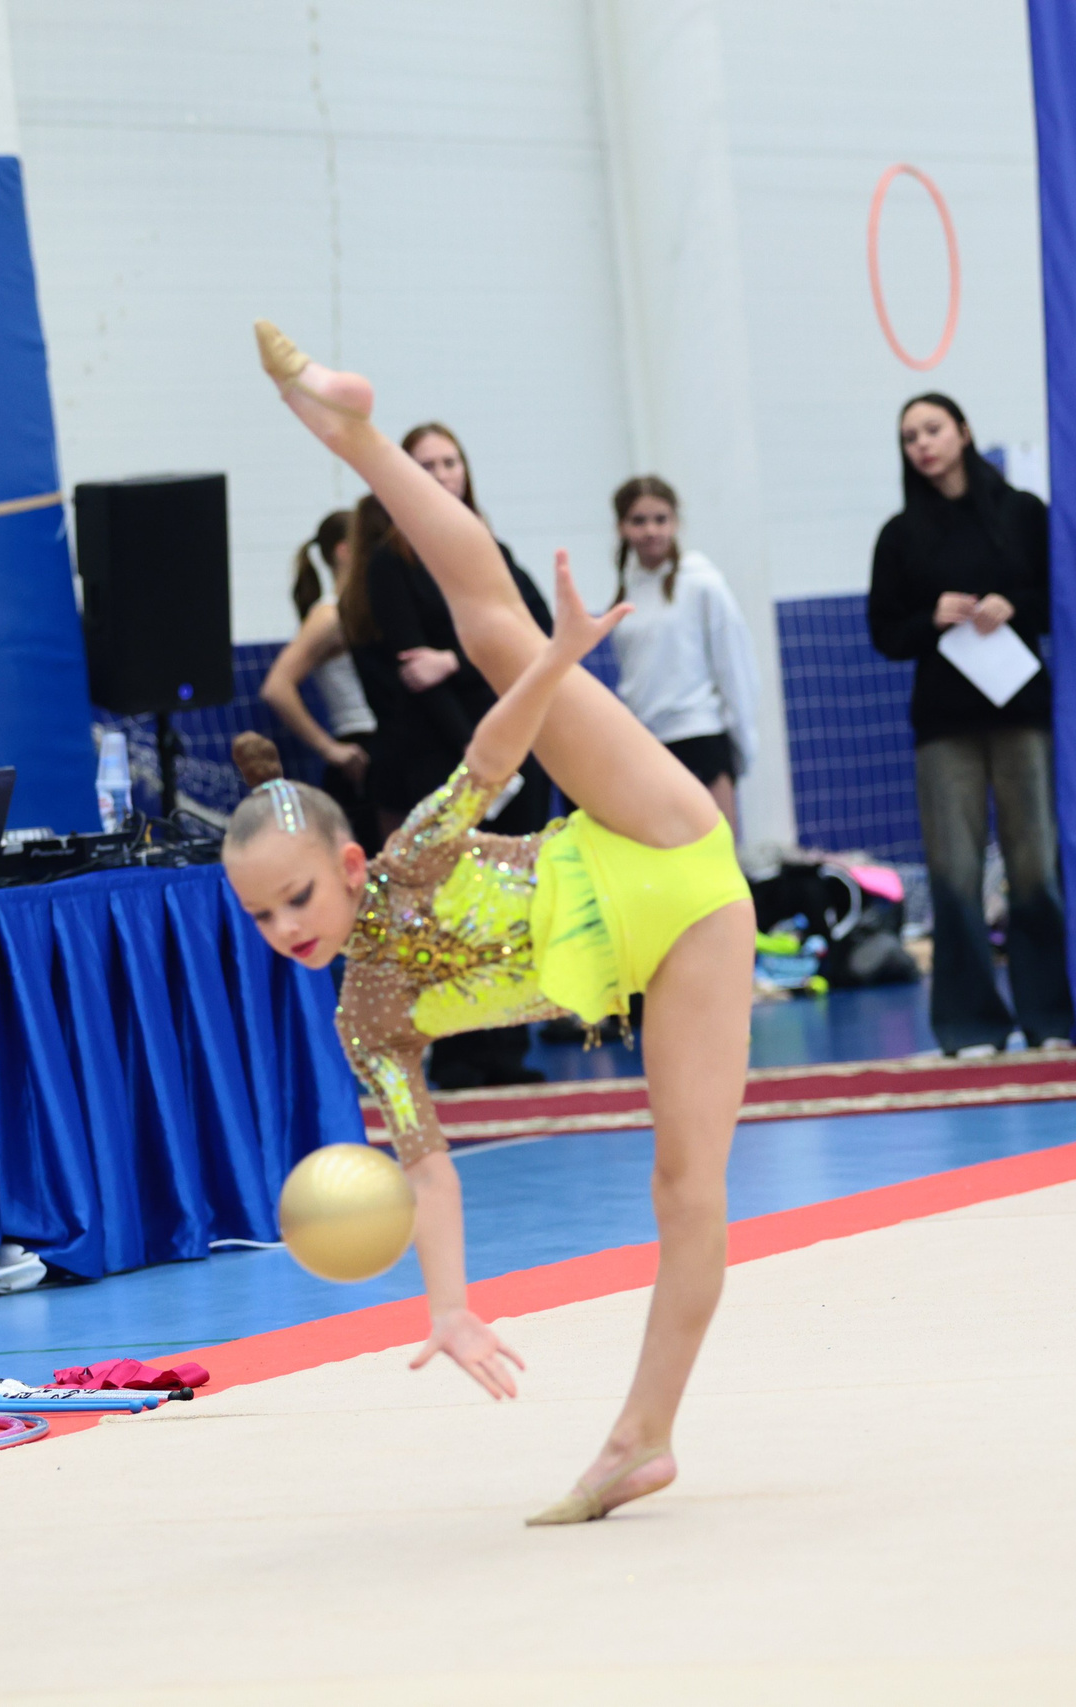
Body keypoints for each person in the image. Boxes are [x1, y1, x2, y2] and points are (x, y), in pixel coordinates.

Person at [225, 322, 756, 1525]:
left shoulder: (405, 863)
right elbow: (429, 1170)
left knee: (493, 628)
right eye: (261, 918)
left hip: (644, 836)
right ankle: (641, 1440)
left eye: (299, 896)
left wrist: (559, 655)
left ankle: (354, 432)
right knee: (685, 1192)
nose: (287, 928)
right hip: (682, 943)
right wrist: (448, 1305)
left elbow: (493, 750)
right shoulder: (366, 1016)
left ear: (350, 865)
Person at [347, 421, 557, 1090]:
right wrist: (481, 769)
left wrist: (458, 662)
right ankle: (463, 1052)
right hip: (447, 760)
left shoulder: (487, 546)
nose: (441, 476)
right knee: (455, 910)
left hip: (509, 747)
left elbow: (539, 636)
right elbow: (414, 674)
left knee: (513, 907)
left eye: (450, 462)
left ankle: (505, 1048)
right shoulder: (392, 562)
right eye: (426, 465)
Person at [866, 393, 1072, 1057]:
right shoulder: (900, 535)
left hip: (1021, 713)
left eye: (932, 429)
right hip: (944, 727)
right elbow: (884, 631)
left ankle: (1050, 1018)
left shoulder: (1021, 514)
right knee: (953, 871)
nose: (922, 443)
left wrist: (1013, 604)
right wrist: (931, 616)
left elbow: (1057, 597)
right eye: (909, 437)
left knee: (1035, 867)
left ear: (963, 431)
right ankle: (971, 1024)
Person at [606, 475, 760, 826]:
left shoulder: (702, 582)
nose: (650, 530)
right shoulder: (626, 592)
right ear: (621, 528)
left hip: (700, 737)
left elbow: (734, 666)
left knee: (717, 865)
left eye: (660, 519)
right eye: (639, 521)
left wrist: (742, 744)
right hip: (648, 743)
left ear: (675, 523)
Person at [257, 510, 383, 851]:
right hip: (360, 748)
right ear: (345, 551)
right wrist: (330, 749)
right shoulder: (330, 614)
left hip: (379, 744)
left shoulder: (360, 608)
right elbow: (276, 686)